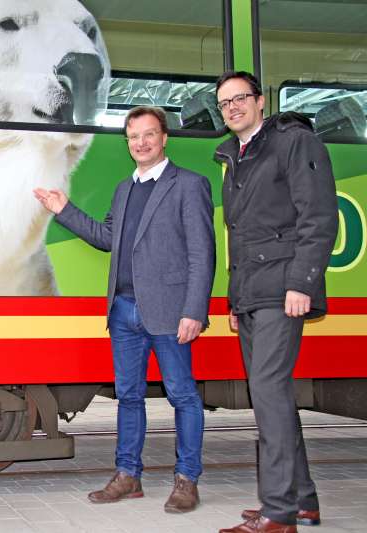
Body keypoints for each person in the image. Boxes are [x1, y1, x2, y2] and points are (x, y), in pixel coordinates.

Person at [34, 105, 215, 514]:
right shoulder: (124, 189)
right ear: (128, 143)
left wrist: (194, 310)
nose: (141, 142)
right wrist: (64, 209)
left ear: (164, 138)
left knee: (184, 396)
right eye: (133, 137)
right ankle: (127, 475)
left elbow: (203, 254)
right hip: (124, 310)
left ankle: (187, 480)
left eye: (149, 134)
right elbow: (106, 238)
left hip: (170, 311)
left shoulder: (189, 185)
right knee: (129, 397)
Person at [215, 72, 338, 533]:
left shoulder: (293, 143)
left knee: (267, 395)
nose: (232, 108)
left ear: (260, 102)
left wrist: (302, 282)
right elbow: (241, 236)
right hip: (253, 292)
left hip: (284, 288)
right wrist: (234, 299)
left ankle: (278, 513)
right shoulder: (236, 157)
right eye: (224, 103)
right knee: (274, 398)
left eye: (240, 98)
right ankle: (301, 501)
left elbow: (318, 216)